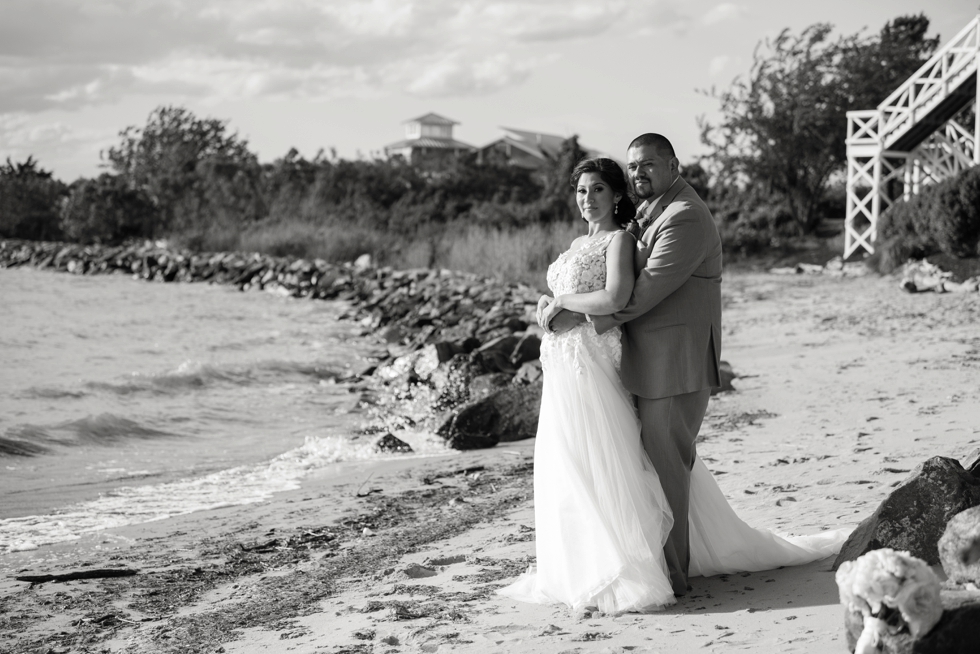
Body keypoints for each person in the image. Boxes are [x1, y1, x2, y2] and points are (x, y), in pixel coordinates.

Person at [498, 145, 848, 616]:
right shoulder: (641, 217)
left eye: (602, 187)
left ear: (671, 167)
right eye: (582, 190)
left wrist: (570, 312)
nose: (590, 197)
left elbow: (637, 291)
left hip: (667, 358)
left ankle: (673, 573)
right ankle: (597, 560)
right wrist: (552, 305)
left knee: (654, 464)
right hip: (597, 363)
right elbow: (592, 289)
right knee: (598, 461)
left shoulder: (682, 216)